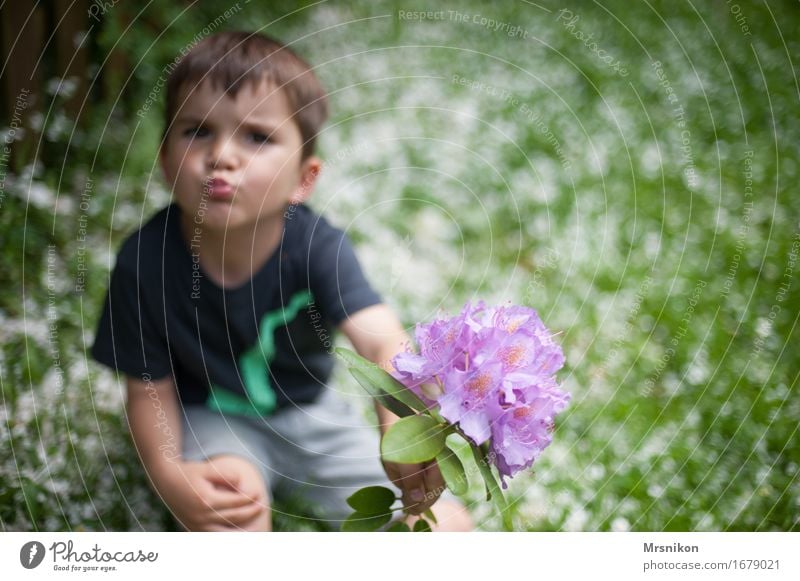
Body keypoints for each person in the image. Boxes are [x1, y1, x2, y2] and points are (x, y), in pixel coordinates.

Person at [91, 30, 472, 532]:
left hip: (315, 419)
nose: (222, 155)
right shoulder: (144, 263)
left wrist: (399, 420)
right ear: (165, 161)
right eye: (197, 131)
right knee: (231, 519)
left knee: (445, 527)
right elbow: (147, 392)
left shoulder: (316, 248)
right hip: (212, 421)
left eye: (257, 137)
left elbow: (383, 341)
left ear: (303, 178)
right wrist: (169, 474)